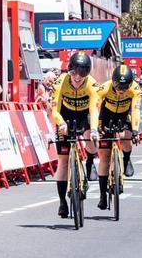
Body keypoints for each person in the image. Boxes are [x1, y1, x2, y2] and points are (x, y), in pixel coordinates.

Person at [49, 52, 101, 219]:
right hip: (65, 116)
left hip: (84, 116)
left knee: (92, 143)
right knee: (63, 161)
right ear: (69, 70)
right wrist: (61, 123)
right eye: (74, 72)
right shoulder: (59, 83)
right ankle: (62, 202)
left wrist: (93, 130)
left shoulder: (92, 85)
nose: (78, 77)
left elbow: (94, 109)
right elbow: (54, 110)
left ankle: (91, 160)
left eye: (83, 73)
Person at [94, 65, 142, 211]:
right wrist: (95, 128)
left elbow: (135, 110)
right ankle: (102, 195)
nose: (121, 90)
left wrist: (135, 130)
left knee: (127, 138)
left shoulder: (135, 89)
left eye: (125, 87)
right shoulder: (104, 88)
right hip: (106, 116)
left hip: (124, 115)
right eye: (118, 87)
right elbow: (95, 109)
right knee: (105, 157)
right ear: (113, 82)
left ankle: (126, 159)